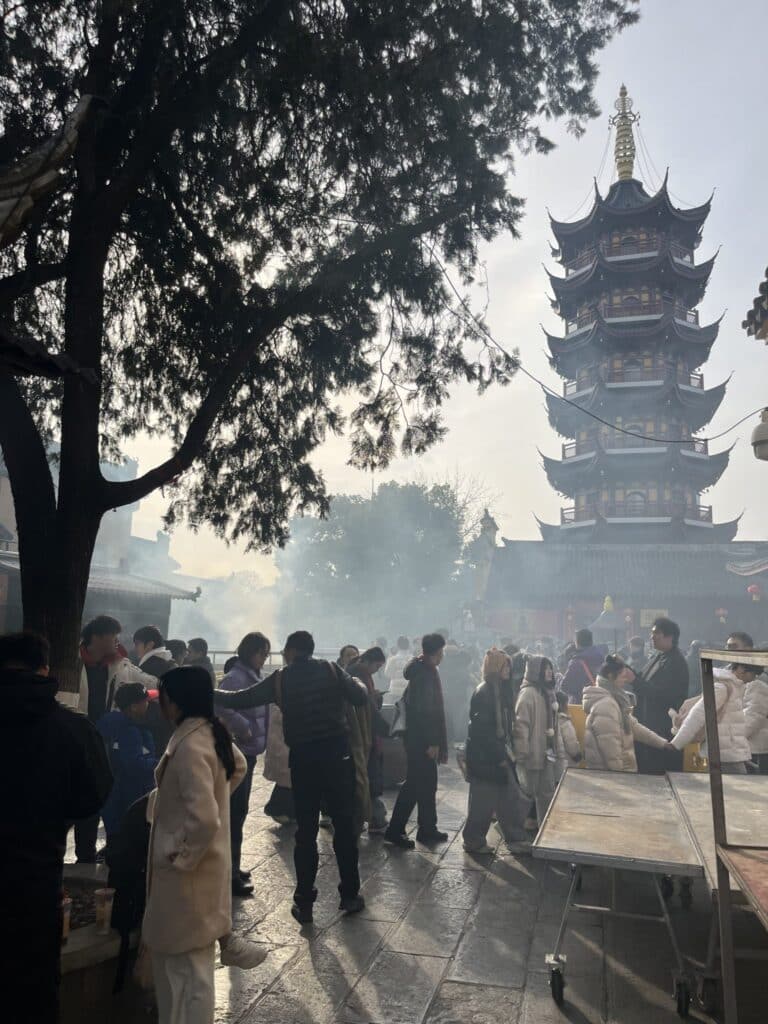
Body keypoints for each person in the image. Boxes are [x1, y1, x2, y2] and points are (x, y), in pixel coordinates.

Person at [212, 631, 369, 924]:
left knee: (306, 832)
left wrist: (206, 691)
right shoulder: (332, 670)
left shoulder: (280, 679)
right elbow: (360, 696)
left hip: (304, 761)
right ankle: (350, 894)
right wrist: (356, 679)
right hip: (338, 758)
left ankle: (304, 902)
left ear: (289, 652)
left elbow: (239, 700)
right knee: (344, 826)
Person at [1, 632, 112, 1023]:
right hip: (36, 881)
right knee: (34, 989)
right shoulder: (72, 730)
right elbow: (92, 797)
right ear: (45, 669)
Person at [142, 666, 248, 1024]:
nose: (163, 705)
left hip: (187, 877)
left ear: (176, 700)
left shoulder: (189, 745)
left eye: (165, 697)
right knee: (195, 972)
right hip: (206, 872)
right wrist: (218, 798)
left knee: (180, 975)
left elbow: (204, 820)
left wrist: (180, 854)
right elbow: (239, 766)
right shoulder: (210, 732)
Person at [75, 615, 154, 862]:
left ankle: (107, 851)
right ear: (96, 637)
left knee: (108, 796)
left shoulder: (120, 665)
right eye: (113, 636)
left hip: (107, 738)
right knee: (83, 797)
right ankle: (84, 855)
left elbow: (150, 682)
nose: (117, 641)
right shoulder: (72, 663)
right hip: (78, 737)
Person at [384, 633, 449, 849]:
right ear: (438, 651)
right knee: (413, 785)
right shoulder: (424, 674)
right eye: (442, 651)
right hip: (420, 741)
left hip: (417, 739)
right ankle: (395, 831)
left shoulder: (422, 669)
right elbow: (424, 712)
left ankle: (427, 828)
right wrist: (432, 742)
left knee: (428, 784)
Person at [217, 632, 271, 896]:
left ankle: (233, 866)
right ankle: (228, 873)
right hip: (238, 752)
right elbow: (221, 706)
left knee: (239, 812)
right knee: (234, 812)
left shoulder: (253, 677)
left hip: (248, 751)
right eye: (262, 653)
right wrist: (245, 728)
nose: (264, 658)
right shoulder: (236, 678)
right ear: (250, 652)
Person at [462, 649, 530, 854]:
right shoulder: (485, 692)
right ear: (495, 667)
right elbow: (482, 731)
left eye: (509, 665)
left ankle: (515, 838)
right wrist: (499, 756)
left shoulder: (501, 691)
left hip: (500, 755)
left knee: (510, 799)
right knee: (482, 804)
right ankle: (473, 841)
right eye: (504, 666)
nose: (508, 670)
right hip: (486, 759)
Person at [583, 655, 671, 772]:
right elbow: (610, 749)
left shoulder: (614, 701)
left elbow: (634, 727)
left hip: (613, 774)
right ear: (611, 677)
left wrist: (663, 744)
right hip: (610, 777)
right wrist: (622, 778)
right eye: (622, 677)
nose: (625, 681)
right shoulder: (607, 705)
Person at [96, 683, 157, 846]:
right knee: (128, 845)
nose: (148, 704)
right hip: (130, 798)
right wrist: (160, 764)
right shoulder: (130, 731)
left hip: (114, 797)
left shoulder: (110, 725)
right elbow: (134, 764)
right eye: (145, 701)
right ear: (134, 707)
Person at [671, 662, 758, 773]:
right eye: (754, 674)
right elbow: (697, 716)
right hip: (723, 752)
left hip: (726, 750)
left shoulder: (734, 687)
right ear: (742, 669)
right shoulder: (722, 688)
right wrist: (677, 743)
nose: (754, 679)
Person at [633, 617, 689, 774]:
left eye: (656, 633)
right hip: (647, 723)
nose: (651, 637)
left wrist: (635, 681)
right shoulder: (656, 657)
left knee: (659, 773)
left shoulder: (676, 662)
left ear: (669, 637)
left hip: (662, 728)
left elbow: (663, 694)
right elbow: (643, 680)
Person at [513, 656, 559, 828]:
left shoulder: (548, 693)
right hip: (532, 753)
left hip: (547, 753)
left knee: (547, 793)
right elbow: (520, 726)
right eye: (545, 669)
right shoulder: (528, 694)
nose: (549, 672)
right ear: (535, 672)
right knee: (526, 794)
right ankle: (510, 827)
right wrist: (522, 753)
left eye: (550, 668)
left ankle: (545, 830)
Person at [349, 646, 389, 834]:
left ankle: (373, 817)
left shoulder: (358, 672)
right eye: (377, 666)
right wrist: (386, 727)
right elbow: (369, 708)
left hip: (363, 733)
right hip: (363, 734)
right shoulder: (359, 676)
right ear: (368, 661)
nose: (377, 670)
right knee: (369, 778)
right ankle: (374, 818)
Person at [729, 632, 768, 773]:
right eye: (728, 646)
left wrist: (731, 739)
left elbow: (753, 717)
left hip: (754, 749)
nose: (729, 650)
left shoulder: (757, 682)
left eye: (734, 646)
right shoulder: (729, 674)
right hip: (741, 746)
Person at [560, 629, 605, 704]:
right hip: (600, 703)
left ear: (577, 642)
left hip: (582, 704)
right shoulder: (601, 658)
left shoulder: (576, 662)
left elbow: (565, 686)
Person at [555, 690, 582, 779]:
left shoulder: (550, 721)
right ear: (563, 705)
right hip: (568, 765)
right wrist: (577, 756)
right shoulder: (564, 722)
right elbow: (571, 743)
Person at [384, 635, 411, 704]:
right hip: (409, 690)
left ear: (398, 646)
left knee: (394, 710)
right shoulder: (413, 659)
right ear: (408, 646)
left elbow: (387, 674)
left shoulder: (392, 659)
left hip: (394, 691)